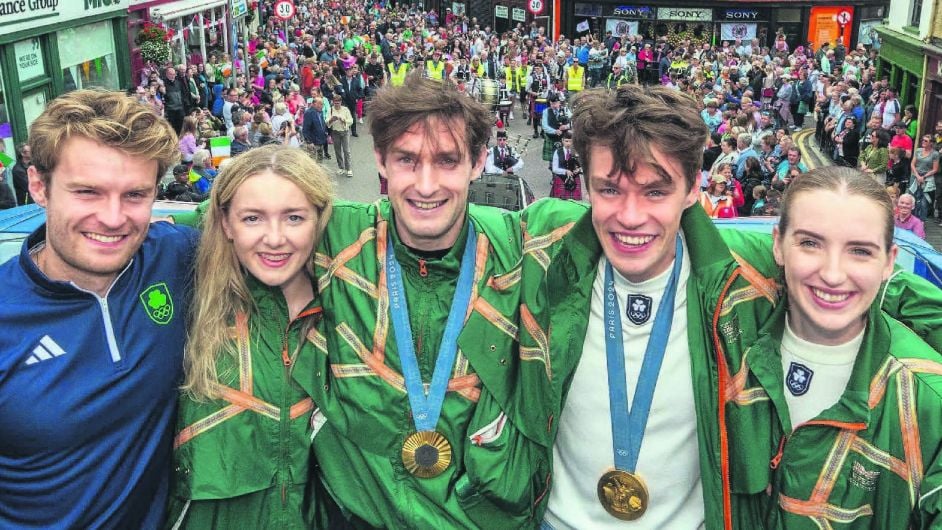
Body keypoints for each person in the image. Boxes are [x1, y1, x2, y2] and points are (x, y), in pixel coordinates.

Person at [304, 74, 571, 529]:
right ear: (381, 161)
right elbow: (224, 218)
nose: (426, 186)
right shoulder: (330, 233)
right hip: (358, 516)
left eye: (447, 161)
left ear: (478, 162)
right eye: (407, 160)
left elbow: (633, 217)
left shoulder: (522, 244)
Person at [0, 89, 197, 527]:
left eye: (134, 195)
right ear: (38, 186)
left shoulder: (175, 255)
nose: (112, 218)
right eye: (87, 191)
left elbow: (264, 218)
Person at [728, 167, 942, 528]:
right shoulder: (728, 335)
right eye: (810, 243)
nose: (832, 273)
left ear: (889, 262)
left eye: (860, 251)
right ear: (778, 245)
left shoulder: (926, 398)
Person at [168, 146, 334, 528]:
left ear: (319, 219)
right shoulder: (189, 291)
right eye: (252, 218)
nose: (274, 239)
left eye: (294, 217)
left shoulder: (347, 300)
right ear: (226, 223)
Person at [909, 134, 938, 223]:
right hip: (915, 176)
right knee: (912, 198)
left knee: (924, 201)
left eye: (926, 141)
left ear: (931, 143)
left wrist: (923, 177)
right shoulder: (918, 151)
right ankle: (911, 219)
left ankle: (921, 221)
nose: (923, 142)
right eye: (923, 140)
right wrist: (917, 176)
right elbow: (912, 164)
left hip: (927, 177)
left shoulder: (935, 154)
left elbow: (935, 169)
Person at [550, 131, 583, 200]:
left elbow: (582, 165)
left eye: (570, 141)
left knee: (575, 202)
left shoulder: (576, 151)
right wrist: (565, 171)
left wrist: (579, 169)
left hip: (574, 179)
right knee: (560, 201)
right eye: (566, 141)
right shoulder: (558, 152)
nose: (568, 144)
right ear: (562, 140)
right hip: (561, 179)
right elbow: (554, 168)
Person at [327, 94, 354, 178]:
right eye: (335, 103)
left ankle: (348, 169)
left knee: (346, 151)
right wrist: (332, 119)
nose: (336, 105)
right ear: (333, 102)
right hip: (335, 132)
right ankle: (341, 167)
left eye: (338, 103)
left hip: (345, 132)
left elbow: (351, 120)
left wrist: (344, 120)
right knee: (337, 150)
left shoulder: (345, 110)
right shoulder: (330, 110)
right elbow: (327, 121)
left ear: (341, 102)